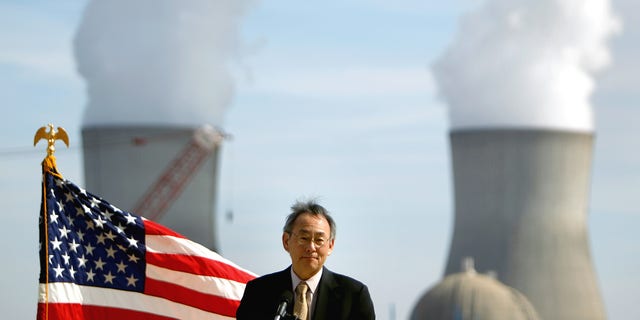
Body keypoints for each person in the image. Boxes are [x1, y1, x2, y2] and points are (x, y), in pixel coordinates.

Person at [236, 200, 375, 320]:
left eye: (319, 240)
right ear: (286, 241)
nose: (311, 247)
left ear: (330, 245)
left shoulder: (353, 296)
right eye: (304, 238)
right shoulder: (258, 293)